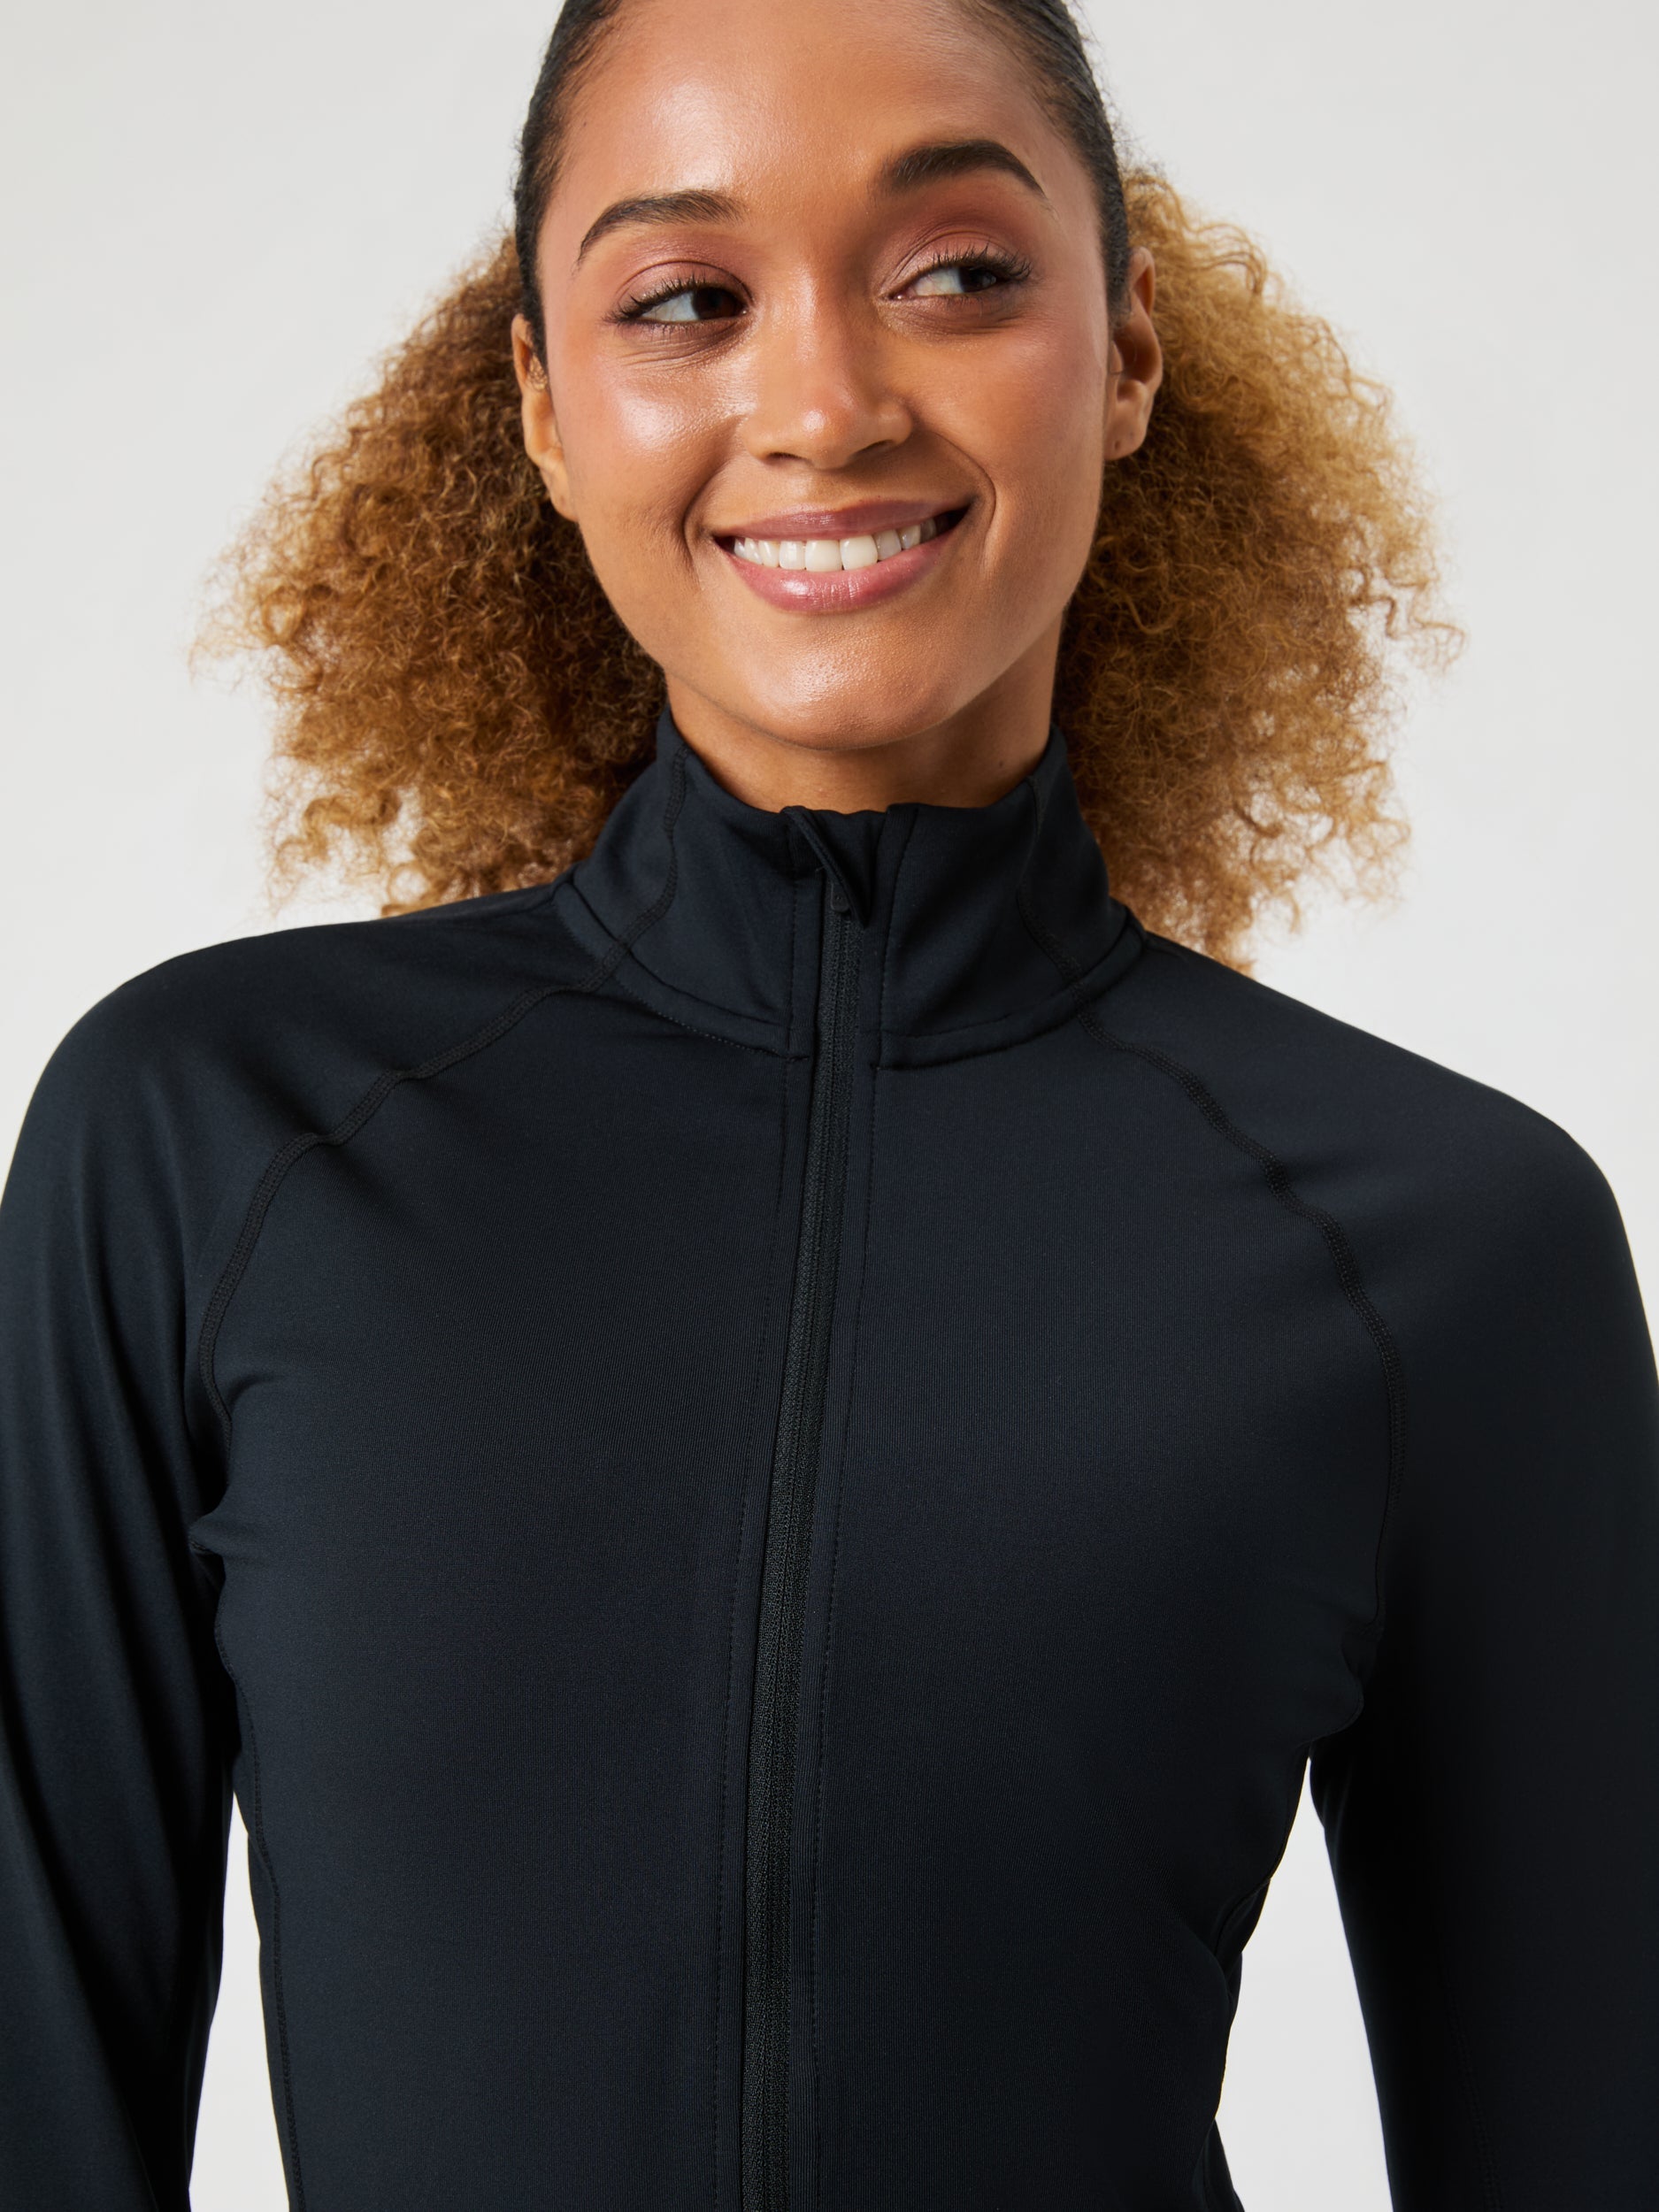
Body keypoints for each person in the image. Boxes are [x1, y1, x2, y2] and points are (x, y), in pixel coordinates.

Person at [2, 0, 1655, 2206]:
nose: (824, 404)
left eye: (955, 272)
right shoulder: (209, 1143)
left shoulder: (1443, 1242)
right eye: (687, 300)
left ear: (1124, 349)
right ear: (544, 407)